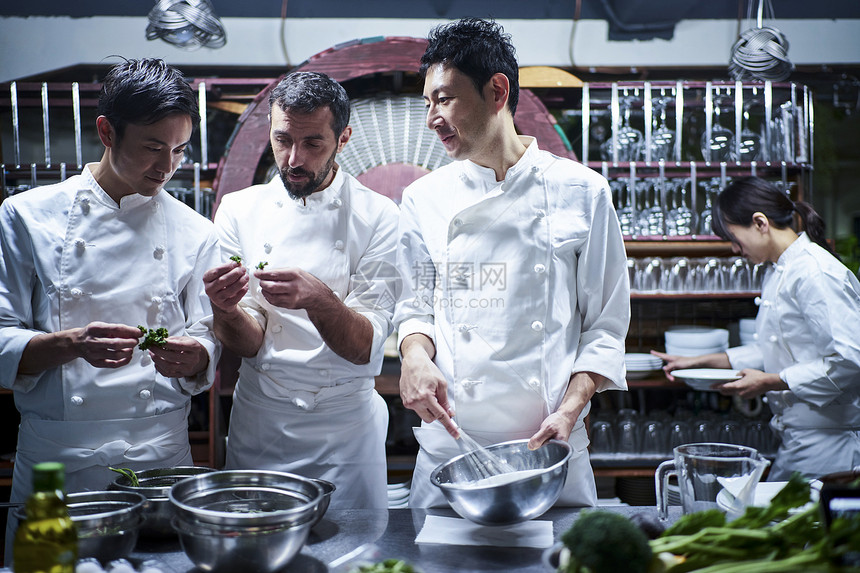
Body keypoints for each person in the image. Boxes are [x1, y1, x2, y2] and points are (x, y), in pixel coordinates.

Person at [394, 18, 630, 508]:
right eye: (427, 104)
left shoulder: (582, 192)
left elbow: (605, 329)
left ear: (497, 91)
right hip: (451, 447)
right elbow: (414, 307)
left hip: (550, 447)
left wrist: (569, 410)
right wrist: (415, 357)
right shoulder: (423, 199)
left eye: (444, 99)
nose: (431, 117)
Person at [0, 57, 220, 556]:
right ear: (106, 131)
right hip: (57, 456)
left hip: (161, 458)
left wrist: (199, 357)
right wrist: (70, 346)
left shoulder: (196, 231)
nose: (166, 167)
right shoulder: (26, 216)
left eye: (180, 151)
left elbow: (207, 336)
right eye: (152, 147)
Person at [203, 71, 399, 509]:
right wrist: (226, 312)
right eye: (283, 140)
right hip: (263, 420)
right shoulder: (239, 210)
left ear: (343, 138)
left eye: (313, 144)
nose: (293, 159)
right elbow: (248, 343)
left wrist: (318, 297)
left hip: (345, 428)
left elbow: (363, 346)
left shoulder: (379, 216)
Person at [653, 176, 860, 480]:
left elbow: (850, 359)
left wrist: (771, 382)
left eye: (735, 238)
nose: (736, 249)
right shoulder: (778, 269)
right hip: (801, 433)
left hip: (829, 440)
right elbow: (776, 348)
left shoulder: (814, 272)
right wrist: (702, 362)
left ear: (760, 223)